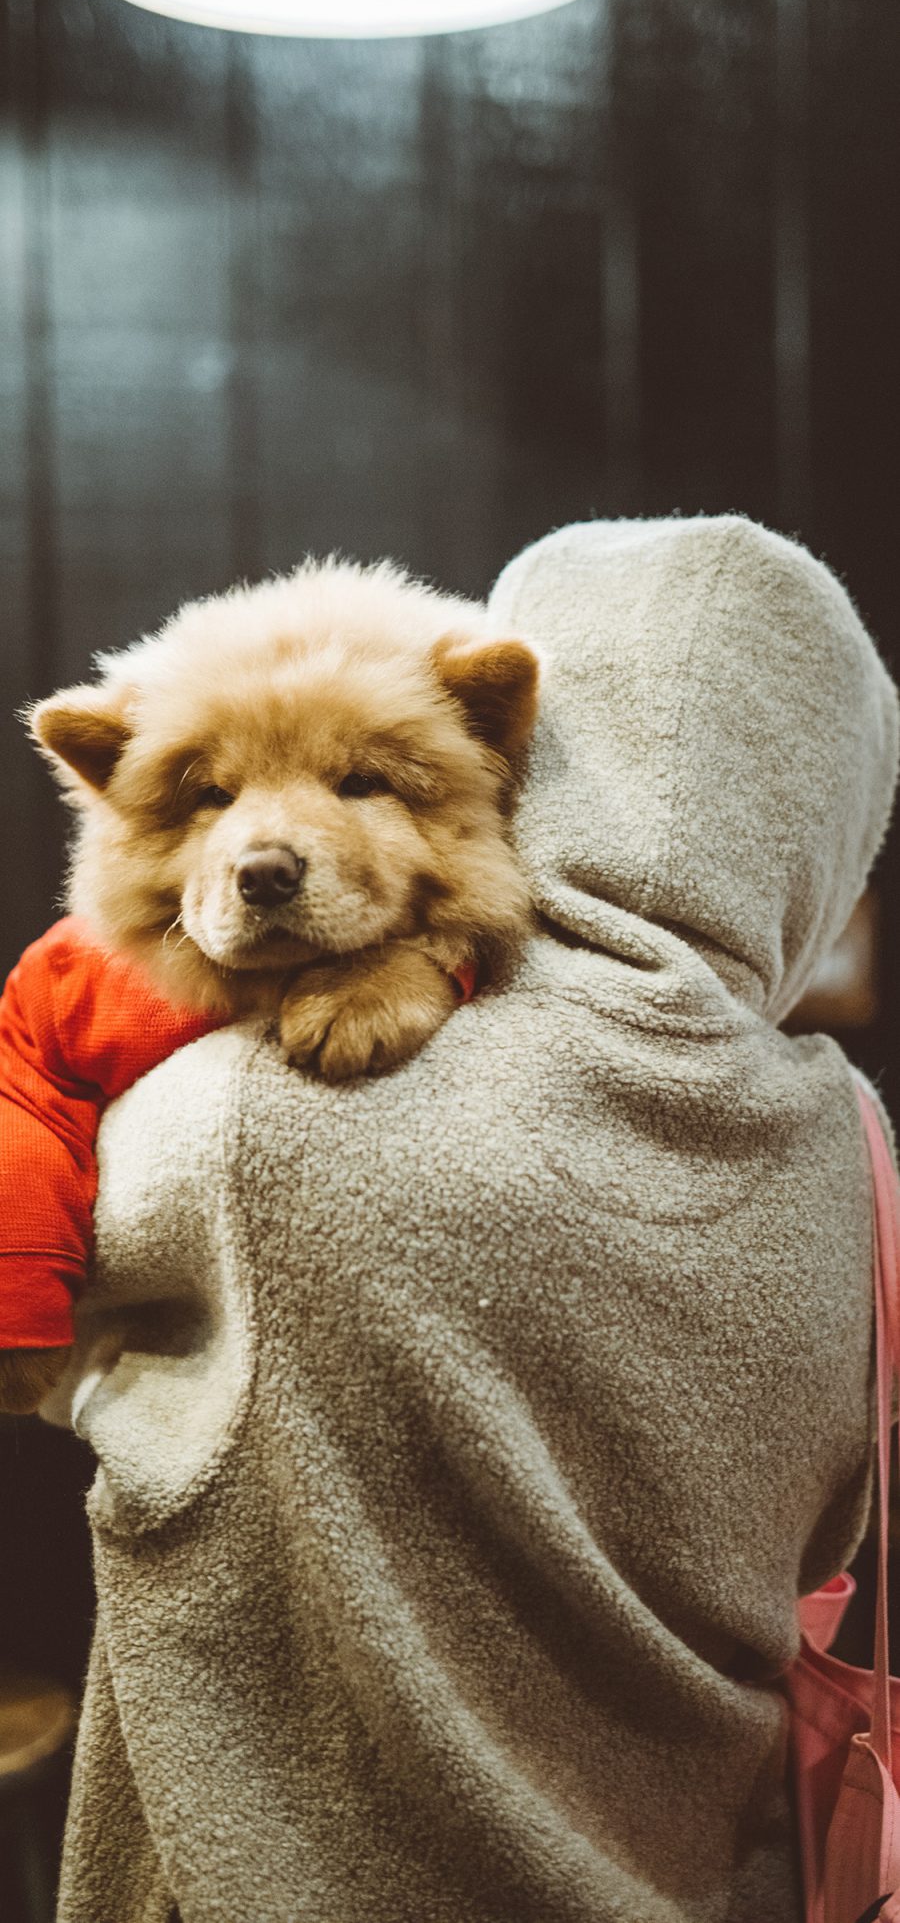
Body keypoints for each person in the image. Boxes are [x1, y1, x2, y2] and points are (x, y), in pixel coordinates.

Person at [49, 516, 898, 1922]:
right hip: (710, 1879)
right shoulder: (855, 1144)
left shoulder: (249, 1119)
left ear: (528, 756)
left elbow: (45, 1303)